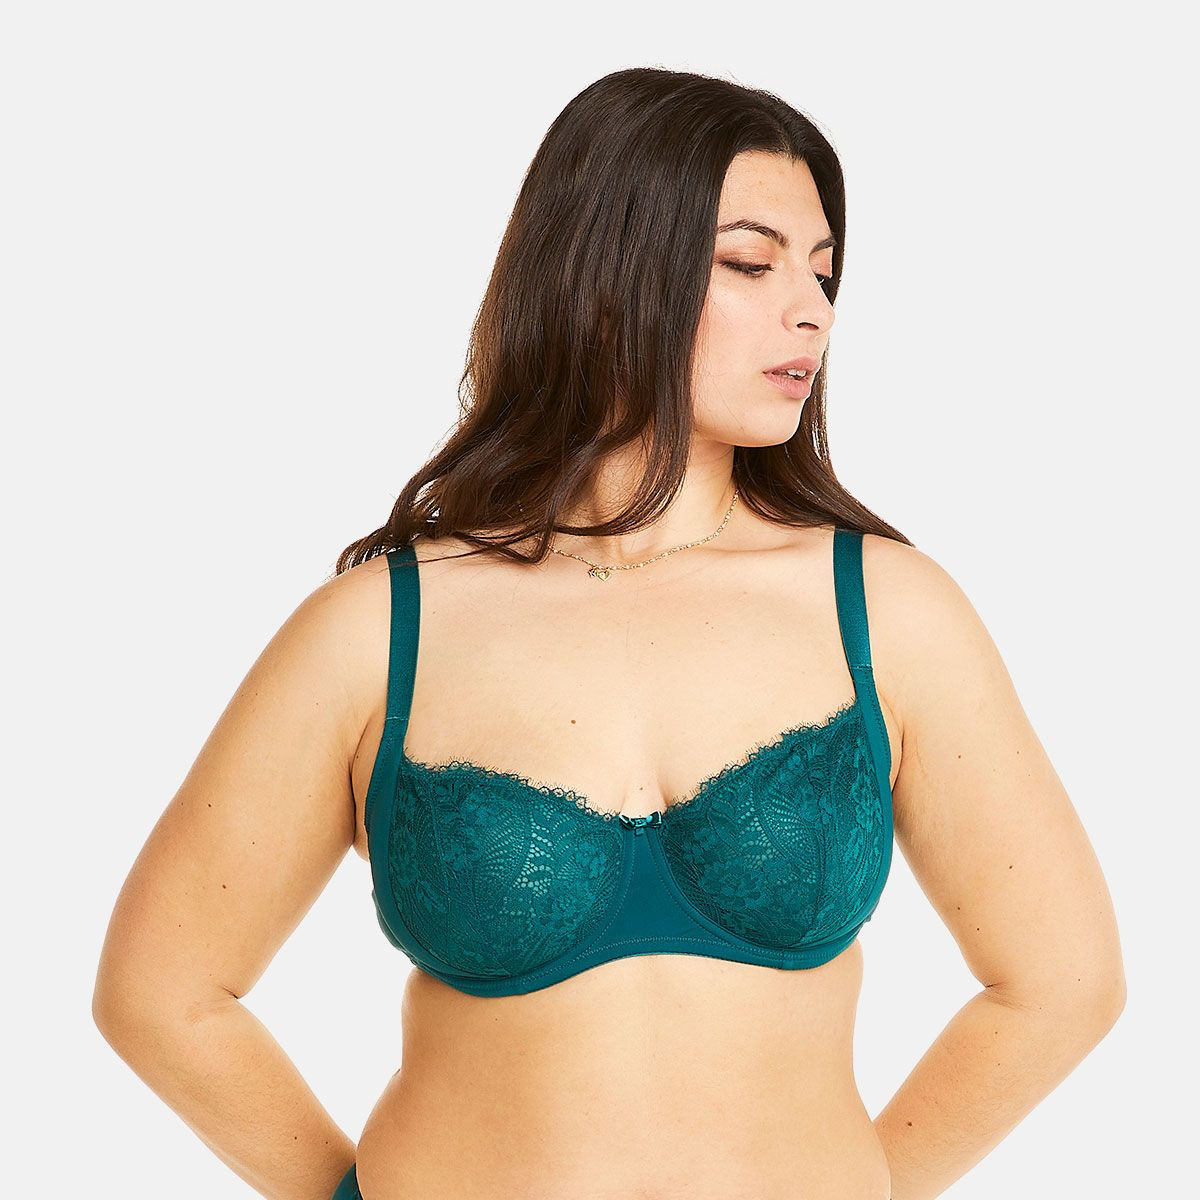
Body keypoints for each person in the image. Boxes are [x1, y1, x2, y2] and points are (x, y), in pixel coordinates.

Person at [92, 66, 1126, 1200]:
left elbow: (1062, 985)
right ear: (602, 279)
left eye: (823, 272)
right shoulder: (380, 629)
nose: (813, 311)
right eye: (751, 264)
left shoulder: (887, 611)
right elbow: (162, 994)